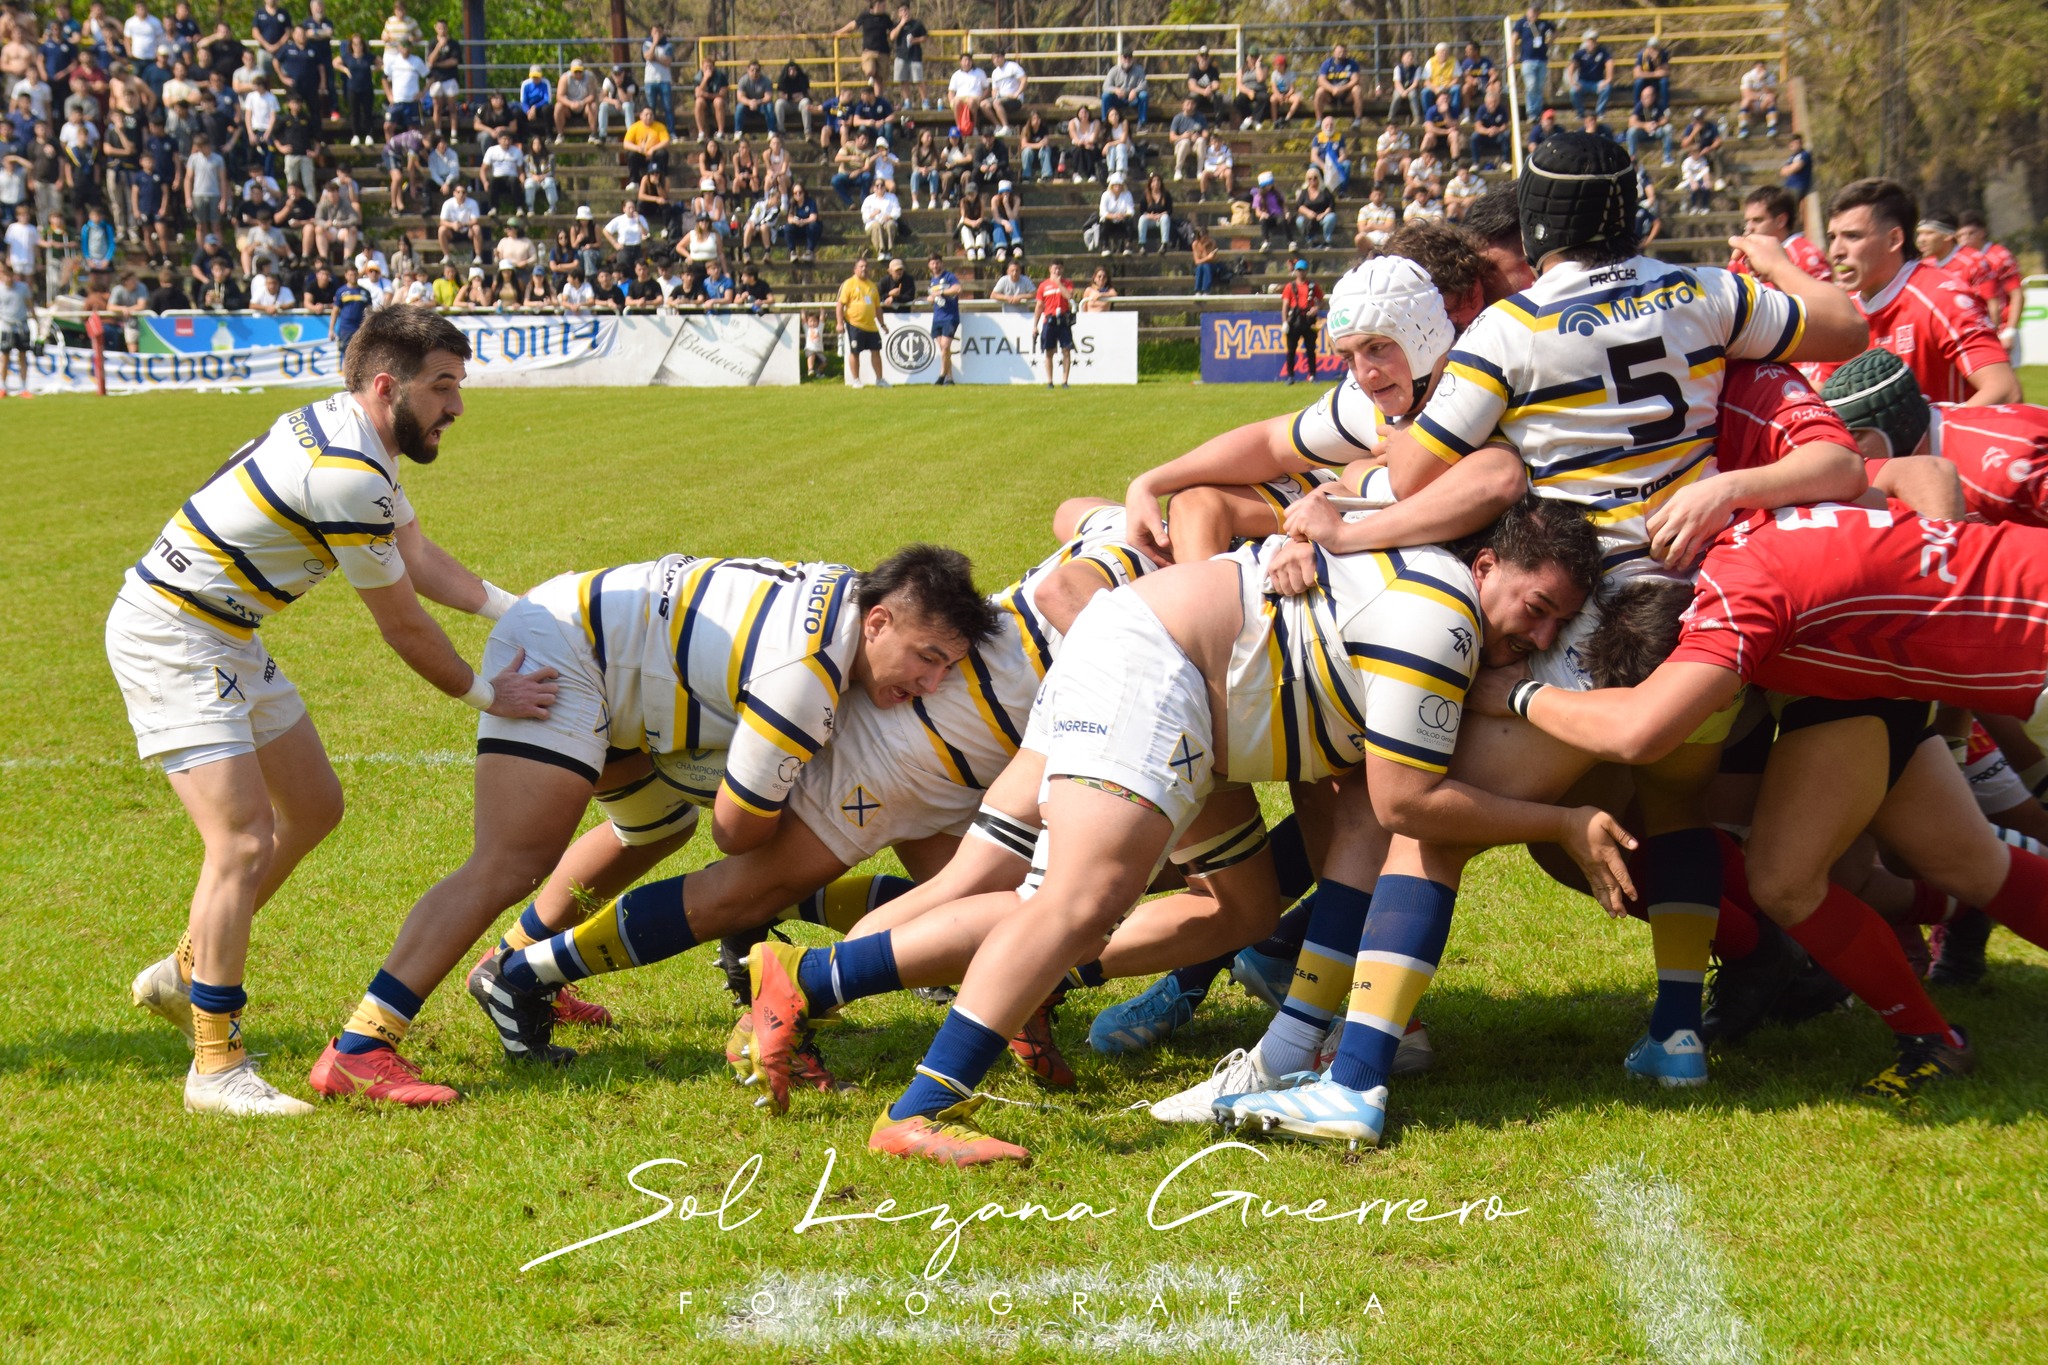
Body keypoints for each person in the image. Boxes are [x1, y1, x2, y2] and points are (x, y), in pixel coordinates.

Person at [818, 494, 1617, 1162]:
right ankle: (907, 1100)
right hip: (1156, 671)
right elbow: (1410, 802)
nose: (1539, 636)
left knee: (1228, 900)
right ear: (1487, 567)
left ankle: (810, 988)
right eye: (1536, 608)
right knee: (1078, 901)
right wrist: (1564, 821)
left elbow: (1375, 820)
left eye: (1558, 624)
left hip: (1182, 684)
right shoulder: (1441, 617)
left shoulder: (1442, 595)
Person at [319, 543, 994, 1101]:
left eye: (947, 666)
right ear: (876, 623)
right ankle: (361, 1045)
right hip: (570, 654)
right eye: (925, 656)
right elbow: (734, 833)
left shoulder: (846, 607)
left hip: (614, 658)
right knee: (511, 860)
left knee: (655, 828)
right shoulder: (805, 676)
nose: (930, 683)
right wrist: (790, 838)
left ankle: (505, 966)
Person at [114, 307, 548, 1115]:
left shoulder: (358, 435)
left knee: (313, 806)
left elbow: (417, 558)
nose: (457, 406)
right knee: (240, 837)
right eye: (443, 387)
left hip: (222, 627)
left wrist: (522, 613)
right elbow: (403, 625)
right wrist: (492, 695)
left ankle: (185, 971)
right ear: (387, 386)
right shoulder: (350, 470)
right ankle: (216, 1066)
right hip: (174, 632)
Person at [1820, 178, 2017, 405]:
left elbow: (2005, 389)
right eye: (1832, 237)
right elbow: (1819, 393)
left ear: (1894, 239)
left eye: (1852, 236)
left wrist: (1928, 432)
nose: (1836, 251)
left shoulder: (1941, 297)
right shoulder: (1843, 308)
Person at [1823, 345, 2048, 525]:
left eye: (1852, 436)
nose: (1843, 449)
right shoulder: (1921, 441)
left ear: (1898, 425)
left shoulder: (2011, 467)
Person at [838, 254, 884, 385]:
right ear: (855, 269)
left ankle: (880, 379)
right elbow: (840, 304)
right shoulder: (849, 284)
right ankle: (856, 380)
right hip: (855, 324)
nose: (864, 269)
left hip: (871, 325)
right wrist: (839, 323)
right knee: (855, 352)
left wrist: (882, 324)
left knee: (876, 351)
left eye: (866, 266)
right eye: (861, 266)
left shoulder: (872, 286)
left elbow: (877, 307)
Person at [1277, 257, 1323, 383]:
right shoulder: (1290, 287)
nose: (1300, 273)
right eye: (1298, 270)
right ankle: (1290, 375)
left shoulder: (1313, 286)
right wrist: (1285, 321)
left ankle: (1312, 375)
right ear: (1295, 271)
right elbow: (1285, 305)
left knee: (1311, 349)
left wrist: (1316, 308)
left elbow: (1321, 301)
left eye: (1303, 270)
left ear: (1306, 271)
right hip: (1295, 320)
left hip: (1309, 319)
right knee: (1291, 350)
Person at [1033, 258, 1074, 387]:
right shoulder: (1043, 286)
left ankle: (1064, 381)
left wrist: (1058, 284)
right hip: (1049, 320)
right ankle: (1050, 381)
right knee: (1049, 351)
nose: (1057, 270)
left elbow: (1069, 296)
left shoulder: (1067, 283)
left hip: (1063, 320)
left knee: (1066, 350)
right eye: (1055, 268)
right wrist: (1035, 325)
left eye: (1060, 268)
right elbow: (1039, 306)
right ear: (1050, 269)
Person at [1512, 4, 1557, 120]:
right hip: (1527, 60)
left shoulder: (1543, 23)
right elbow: (1513, 38)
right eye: (1532, 11)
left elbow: (1555, 31)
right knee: (1531, 85)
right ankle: (1531, 111)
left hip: (1541, 59)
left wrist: (1549, 42)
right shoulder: (1522, 23)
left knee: (1539, 86)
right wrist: (1513, 55)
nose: (1534, 14)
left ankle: (1537, 112)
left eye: (1537, 12)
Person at [922, 251, 960, 383]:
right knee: (945, 350)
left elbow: (957, 289)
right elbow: (933, 296)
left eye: (937, 262)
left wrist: (941, 292)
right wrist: (930, 298)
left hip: (950, 317)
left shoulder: (949, 277)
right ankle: (949, 378)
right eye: (932, 263)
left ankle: (941, 375)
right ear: (929, 266)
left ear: (942, 263)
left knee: (944, 347)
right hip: (937, 318)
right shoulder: (932, 281)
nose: (935, 265)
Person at [836, 0, 893, 88]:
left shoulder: (886, 18)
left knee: (879, 79)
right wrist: (838, 32)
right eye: (883, 5)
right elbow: (853, 25)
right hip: (869, 50)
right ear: (876, 5)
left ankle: (878, 100)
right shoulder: (865, 16)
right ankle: (871, 77)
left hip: (883, 51)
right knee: (870, 70)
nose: (885, 7)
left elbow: (893, 30)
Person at [0, 259, 31, 396]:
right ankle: (3, 387)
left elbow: (30, 305)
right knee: (4, 358)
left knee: (22, 357)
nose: (7, 278)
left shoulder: (23, 288)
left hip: (21, 326)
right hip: (6, 327)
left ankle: (23, 388)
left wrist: (36, 322)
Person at [889, 5, 928, 111]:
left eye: (906, 10)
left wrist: (915, 40)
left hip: (915, 55)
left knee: (918, 80)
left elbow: (925, 37)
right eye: (901, 10)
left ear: (910, 11)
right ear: (898, 13)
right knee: (903, 80)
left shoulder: (917, 24)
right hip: (901, 56)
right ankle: (907, 102)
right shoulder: (896, 24)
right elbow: (892, 37)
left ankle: (925, 101)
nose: (904, 12)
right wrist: (901, 24)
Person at [1568, 29, 1613, 119]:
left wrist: (1608, 80)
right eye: (1589, 40)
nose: (1592, 43)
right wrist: (1572, 81)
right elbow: (1572, 66)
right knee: (1573, 91)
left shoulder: (1602, 52)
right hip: (1583, 82)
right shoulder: (1580, 53)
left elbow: (1610, 64)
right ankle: (1580, 113)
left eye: (1594, 40)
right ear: (1586, 41)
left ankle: (1599, 113)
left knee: (1606, 88)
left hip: (1597, 82)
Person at [1101, 46, 1145, 128]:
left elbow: (1144, 84)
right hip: (1118, 99)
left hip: (1133, 100)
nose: (1127, 59)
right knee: (1105, 96)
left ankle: (1141, 123)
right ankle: (1105, 123)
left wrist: (1135, 91)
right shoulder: (1114, 70)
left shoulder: (1139, 70)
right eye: (1125, 57)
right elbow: (1105, 87)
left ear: (1132, 58)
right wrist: (1115, 90)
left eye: (1129, 57)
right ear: (1121, 58)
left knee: (1144, 95)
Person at [640, 24, 673, 132]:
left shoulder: (668, 45)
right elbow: (648, 57)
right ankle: (650, 132)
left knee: (668, 108)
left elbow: (668, 62)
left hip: (664, 80)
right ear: (651, 32)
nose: (657, 34)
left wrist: (655, 58)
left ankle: (671, 132)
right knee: (651, 108)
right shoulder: (647, 43)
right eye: (655, 32)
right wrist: (654, 43)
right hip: (650, 80)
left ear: (663, 32)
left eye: (659, 32)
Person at [1292, 167, 1336, 247]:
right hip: (1308, 218)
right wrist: (1308, 213)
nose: (1312, 180)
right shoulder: (1304, 191)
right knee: (1299, 221)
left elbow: (1331, 204)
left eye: (1315, 178)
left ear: (1319, 178)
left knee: (1331, 217)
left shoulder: (1324, 190)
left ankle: (1327, 240)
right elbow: (1298, 206)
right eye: (1310, 178)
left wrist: (1323, 214)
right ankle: (1309, 240)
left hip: (1322, 216)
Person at [1737, 58, 1777, 138]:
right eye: (1758, 66)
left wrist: (1762, 81)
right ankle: (1743, 129)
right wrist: (1761, 97)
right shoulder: (1747, 77)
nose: (1760, 68)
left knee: (1770, 99)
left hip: (1764, 104)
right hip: (1753, 104)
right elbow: (1746, 94)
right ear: (1754, 67)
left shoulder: (1770, 77)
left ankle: (1772, 128)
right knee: (1745, 101)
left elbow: (1771, 93)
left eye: (1762, 66)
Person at [1096, 170, 1133, 255]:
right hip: (1110, 222)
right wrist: (1114, 216)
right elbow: (1103, 212)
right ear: (1111, 186)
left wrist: (1122, 215)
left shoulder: (1127, 194)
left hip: (1122, 221)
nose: (1118, 187)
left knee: (1130, 220)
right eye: (1115, 185)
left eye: (1119, 185)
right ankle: (1105, 246)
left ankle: (1128, 245)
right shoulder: (1105, 195)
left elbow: (1131, 210)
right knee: (1104, 221)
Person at [861, 175, 900, 255]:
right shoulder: (868, 200)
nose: (879, 187)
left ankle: (889, 250)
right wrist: (873, 214)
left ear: (885, 187)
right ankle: (881, 251)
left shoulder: (892, 197)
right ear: (873, 188)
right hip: (872, 224)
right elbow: (864, 216)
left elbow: (897, 211)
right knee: (876, 225)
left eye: (882, 185)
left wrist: (890, 216)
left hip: (887, 222)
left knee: (890, 224)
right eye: (877, 185)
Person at [1168, 97, 1205, 181]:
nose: (1190, 106)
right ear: (1183, 106)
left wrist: (1198, 136)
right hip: (1182, 145)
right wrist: (1182, 136)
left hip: (1195, 145)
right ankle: (1178, 170)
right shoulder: (1177, 118)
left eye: (1192, 104)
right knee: (1185, 142)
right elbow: (1171, 137)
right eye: (1187, 103)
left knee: (1201, 141)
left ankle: (1199, 171)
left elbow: (1206, 133)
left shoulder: (1200, 117)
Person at [1136, 172, 1172, 255]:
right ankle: (1142, 245)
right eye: (1154, 181)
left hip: (1161, 219)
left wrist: (1160, 215)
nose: (1156, 183)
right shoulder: (1145, 195)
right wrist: (1150, 216)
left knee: (1165, 218)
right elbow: (1142, 211)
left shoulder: (1166, 195)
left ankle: (1164, 245)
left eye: (1158, 181)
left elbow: (1170, 210)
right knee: (1142, 219)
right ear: (1150, 183)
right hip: (1150, 219)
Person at [988, 177, 1021, 261]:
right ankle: (1000, 248)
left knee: (1013, 222)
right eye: (1003, 192)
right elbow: (996, 217)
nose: (1005, 194)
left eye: (1007, 192)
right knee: (996, 224)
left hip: (1011, 221)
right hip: (999, 221)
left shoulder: (1016, 199)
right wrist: (1005, 223)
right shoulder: (995, 199)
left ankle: (1017, 246)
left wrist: (1006, 204)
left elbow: (1012, 216)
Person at [1185, 45, 1221, 119]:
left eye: (1206, 55)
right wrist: (1203, 91)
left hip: (1210, 93)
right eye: (1202, 55)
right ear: (1198, 58)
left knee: (1219, 96)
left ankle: (1218, 124)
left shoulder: (1213, 69)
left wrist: (1209, 89)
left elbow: (1216, 85)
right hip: (1199, 93)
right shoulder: (1193, 69)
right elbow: (1192, 86)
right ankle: (1193, 122)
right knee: (1193, 97)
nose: (1204, 58)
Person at [1780, 132, 1813, 204]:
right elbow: (1782, 172)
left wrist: (1789, 169)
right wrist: (1789, 169)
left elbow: (1796, 168)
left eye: (1798, 142)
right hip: (1788, 186)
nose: (1796, 144)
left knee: (1791, 207)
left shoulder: (1804, 154)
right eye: (1794, 143)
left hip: (1797, 187)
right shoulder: (1792, 157)